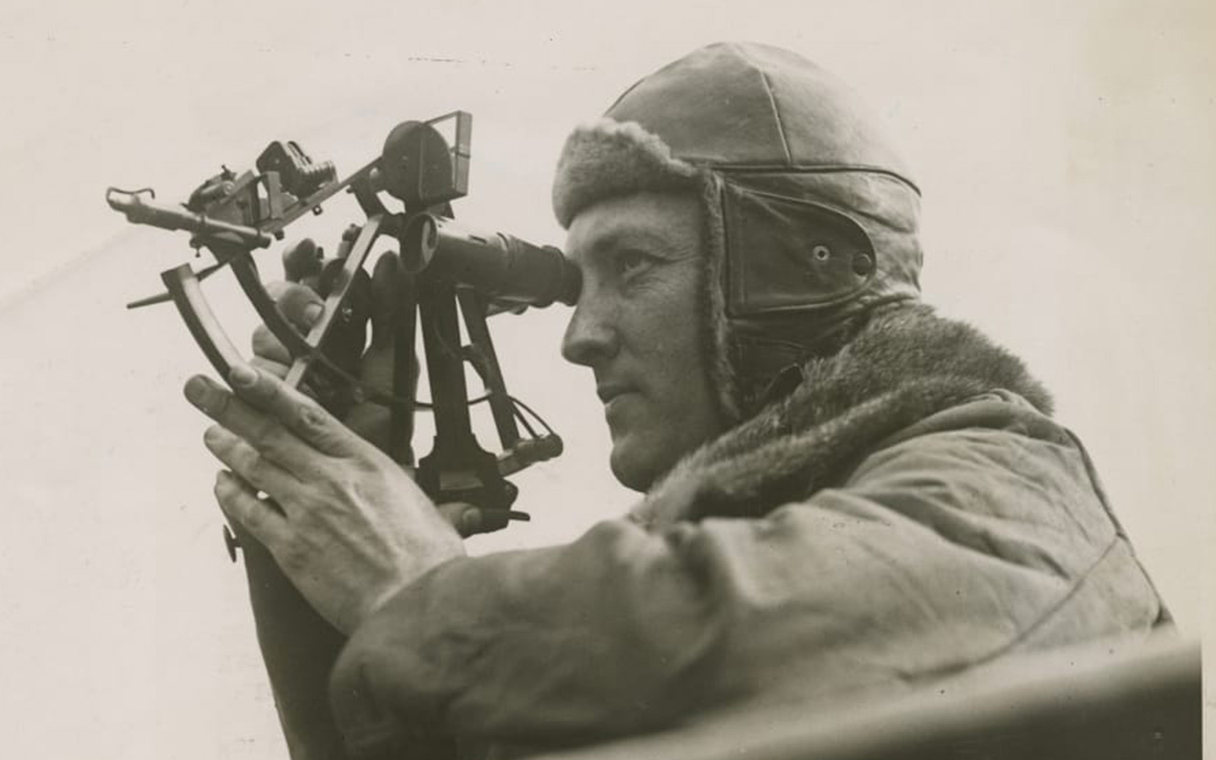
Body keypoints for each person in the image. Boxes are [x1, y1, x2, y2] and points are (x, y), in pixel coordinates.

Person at [181, 42, 1169, 759]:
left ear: (804, 268)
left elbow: (762, 647)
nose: (578, 334)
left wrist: (415, 595)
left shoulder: (1003, 479)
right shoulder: (716, 557)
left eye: (632, 266)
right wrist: (314, 546)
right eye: (578, 281)